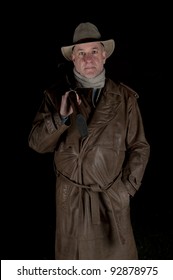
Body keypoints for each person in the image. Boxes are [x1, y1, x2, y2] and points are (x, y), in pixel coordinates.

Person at [28, 22, 150, 260]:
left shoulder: (124, 98)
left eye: (94, 51)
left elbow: (139, 146)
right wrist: (61, 117)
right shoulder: (55, 96)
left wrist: (127, 188)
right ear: (73, 58)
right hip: (70, 199)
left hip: (110, 197)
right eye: (81, 53)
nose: (88, 59)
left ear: (104, 55)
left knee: (116, 267)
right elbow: (36, 143)